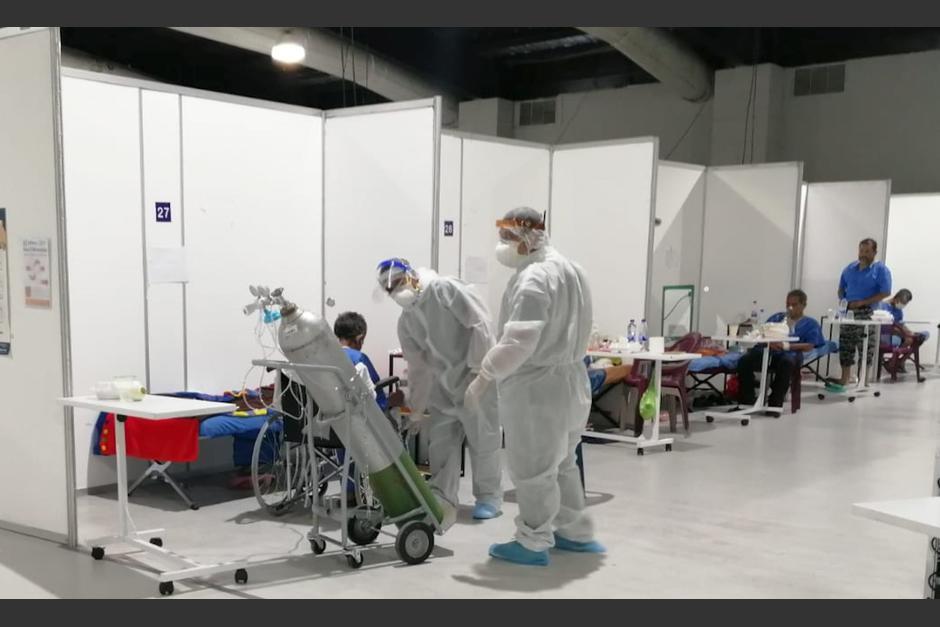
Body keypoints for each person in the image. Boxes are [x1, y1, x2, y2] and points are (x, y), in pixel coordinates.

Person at [465, 206, 604, 567]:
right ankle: (575, 532)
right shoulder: (573, 270)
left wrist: (484, 376)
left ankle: (532, 540)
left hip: (537, 387)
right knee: (563, 462)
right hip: (573, 381)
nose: (502, 246)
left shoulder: (534, 278)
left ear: (525, 236)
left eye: (506, 238)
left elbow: (518, 343)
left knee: (533, 467)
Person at [376, 258, 503, 527]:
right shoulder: (406, 322)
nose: (396, 291)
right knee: (441, 442)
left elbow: (479, 323)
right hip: (443, 387)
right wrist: (416, 408)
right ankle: (443, 496)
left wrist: (480, 371)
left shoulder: (444, 289)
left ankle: (489, 497)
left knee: (483, 437)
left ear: (410, 275)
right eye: (390, 290)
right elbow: (418, 367)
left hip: (474, 376)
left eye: (398, 283)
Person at [332, 311, 391, 504]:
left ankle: (349, 490)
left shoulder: (324, 359)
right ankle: (385, 488)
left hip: (330, 427)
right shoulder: (359, 359)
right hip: (359, 427)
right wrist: (393, 402)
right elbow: (374, 398)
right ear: (359, 338)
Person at [736, 289, 825, 413]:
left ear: (803, 305)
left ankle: (775, 404)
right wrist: (767, 342)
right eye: (788, 304)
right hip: (768, 350)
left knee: (787, 363)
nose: (790, 308)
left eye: (794, 305)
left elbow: (810, 345)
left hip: (789, 353)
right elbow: (762, 332)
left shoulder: (811, 324)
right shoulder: (777, 317)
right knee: (745, 360)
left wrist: (786, 346)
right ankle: (746, 400)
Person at [828, 238, 892, 392]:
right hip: (848, 311)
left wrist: (863, 302)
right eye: (861, 251)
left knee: (865, 346)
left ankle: (863, 379)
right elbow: (841, 289)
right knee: (846, 343)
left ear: (874, 252)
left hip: (868, 312)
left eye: (867, 252)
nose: (863, 254)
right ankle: (845, 378)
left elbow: (885, 292)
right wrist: (843, 301)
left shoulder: (881, 270)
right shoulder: (850, 268)